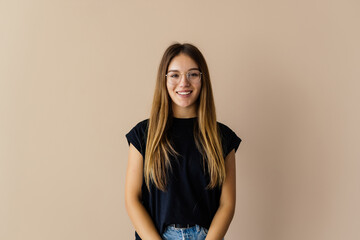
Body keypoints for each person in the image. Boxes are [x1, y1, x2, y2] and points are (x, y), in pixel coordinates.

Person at [125, 43, 242, 240]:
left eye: (193, 74)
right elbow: (132, 199)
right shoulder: (143, 135)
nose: (184, 83)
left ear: (202, 79)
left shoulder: (222, 137)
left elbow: (227, 204)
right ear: (164, 79)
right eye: (175, 75)